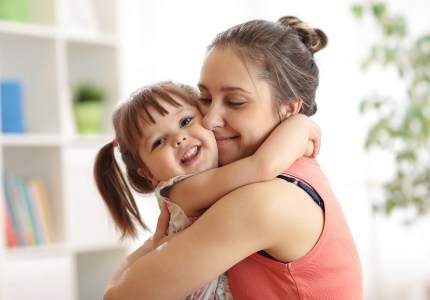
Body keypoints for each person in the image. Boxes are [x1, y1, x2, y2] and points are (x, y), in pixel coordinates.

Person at [102, 16, 362, 300]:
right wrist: (300, 126)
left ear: (289, 109)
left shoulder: (263, 201)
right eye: (204, 98)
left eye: (235, 102)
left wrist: (301, 126)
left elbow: (118, 296)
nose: (210, 119)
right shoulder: (287, 171)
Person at [94, 80, 320, 299]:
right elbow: (261, 166)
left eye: (184, 121)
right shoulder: (182, 189)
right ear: (149, 174)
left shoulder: (221, 178)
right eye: (159, 142)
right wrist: (300, 126)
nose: (179, 139)